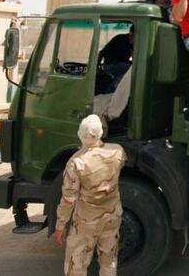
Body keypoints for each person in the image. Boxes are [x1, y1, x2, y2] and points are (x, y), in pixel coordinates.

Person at [54, 114, 126, 276]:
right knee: (109, 262)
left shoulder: (76, 163)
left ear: (80, 134)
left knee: (76, 266)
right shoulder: (117, 152)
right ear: (100, 133)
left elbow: (68, 199)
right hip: (112, 216)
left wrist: (59, 226)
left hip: (86, 222)